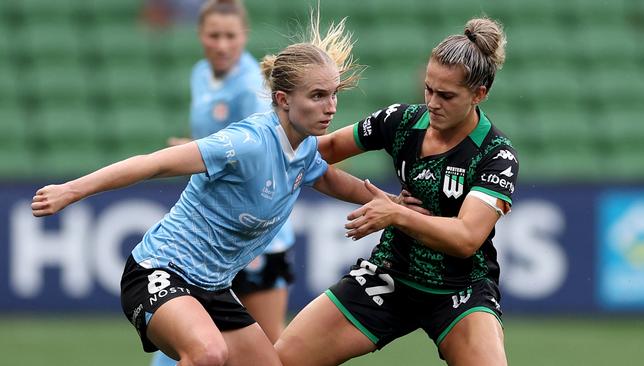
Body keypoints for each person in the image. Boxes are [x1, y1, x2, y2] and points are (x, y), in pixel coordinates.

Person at [31, 12, 371, 366]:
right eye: (318, 96)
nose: (331, 107)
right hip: (159, 271)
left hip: (213, 287)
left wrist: (393, 205)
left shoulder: (303, 148)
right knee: (208, 353)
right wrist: (70, 191)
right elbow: (154, 164)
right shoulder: (249, 142)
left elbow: (328, 177)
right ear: (283, 99)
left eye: (333, 95)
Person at [275, 17, 518, 366]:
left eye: (446, 95)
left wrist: (395, 213)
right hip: (390, 276)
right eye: (428, 89)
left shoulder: (496, 155)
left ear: (479, 94)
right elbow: (319, 151)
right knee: (282, 361)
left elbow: (466, 237)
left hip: (460, 289)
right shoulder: (401, 121)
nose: (432, 102)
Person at [151, 1, 297, 365]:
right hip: (214, 232)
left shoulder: (251, 89)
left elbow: (262, 156)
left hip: (256, 240)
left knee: (266, 348)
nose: (221, 44)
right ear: (201, 35)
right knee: (197, 342)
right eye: (214, 35)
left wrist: (197, 154)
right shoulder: (200, 73)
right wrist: (194, 150)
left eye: (230, 36)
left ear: (244, 37)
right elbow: (216, 142)